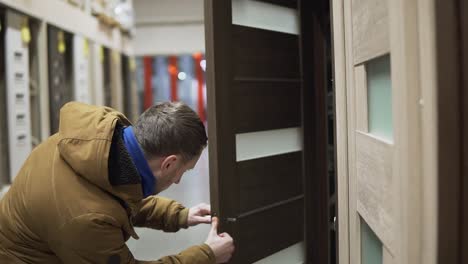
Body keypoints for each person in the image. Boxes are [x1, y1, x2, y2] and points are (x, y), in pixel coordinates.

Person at [0, 101, 235, 263]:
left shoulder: (96, 147)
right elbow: (98, 209)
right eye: (183, 171)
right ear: (169, 164)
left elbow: (120, 198)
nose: (177, 182)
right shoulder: (86, 219)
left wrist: (181, 215)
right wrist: (207, 255)